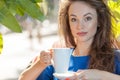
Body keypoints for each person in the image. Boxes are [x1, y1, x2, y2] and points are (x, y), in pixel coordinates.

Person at [19, 0, 120, 80]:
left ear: (99, 21)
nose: (80, 26)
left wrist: (101, 76)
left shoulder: (116, 58)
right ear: (68, 23)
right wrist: (40, 64)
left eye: (88, 18)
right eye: (74, 19)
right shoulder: (59, 59)